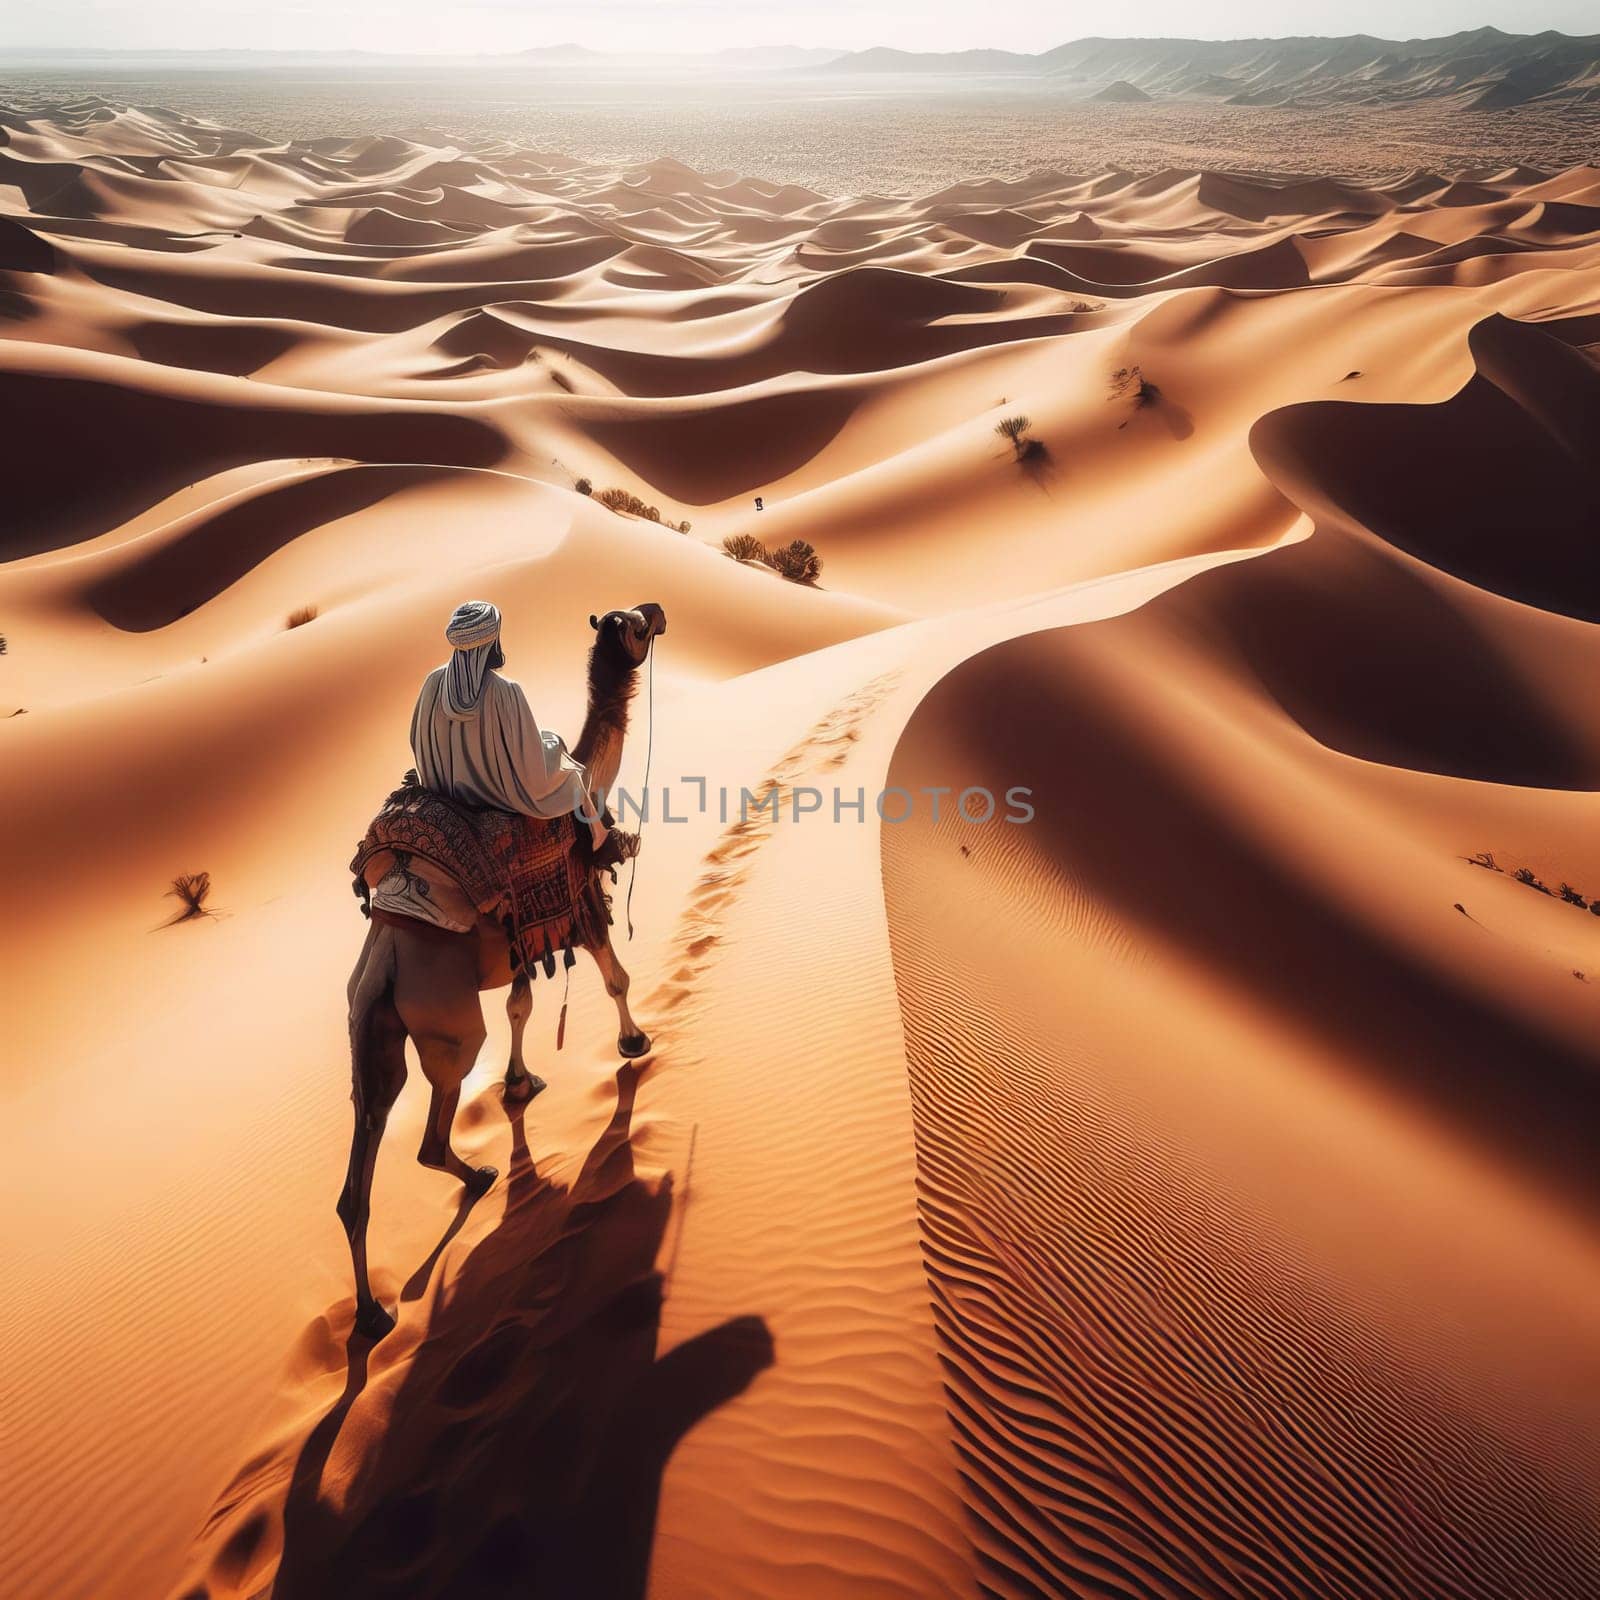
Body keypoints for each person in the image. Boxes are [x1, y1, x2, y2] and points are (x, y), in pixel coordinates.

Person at [411, 600, 610, 853]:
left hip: (441, 791)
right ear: (491, 639)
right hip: (496, 797)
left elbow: (415, 739)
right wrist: (553, 745)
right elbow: (530, 767)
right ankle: (599, 837)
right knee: (571, 772)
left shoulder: (433, 683)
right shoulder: (506, 691)